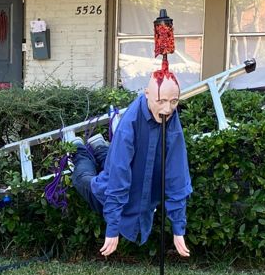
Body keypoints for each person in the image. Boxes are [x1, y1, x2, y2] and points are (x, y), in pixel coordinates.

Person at [71, 75, 191, 258]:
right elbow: (118, 175)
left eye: (174, 101)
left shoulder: (171, 120)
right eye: (161, 101)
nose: (167, 109)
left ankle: (100, 146)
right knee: (82, 179)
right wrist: (113, 227)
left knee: (116, 159)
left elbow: (177, 176)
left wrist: (178, 228)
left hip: (134, 178)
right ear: (147, 94)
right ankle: (79, 149)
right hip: (110, 186)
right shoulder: (130, 123)